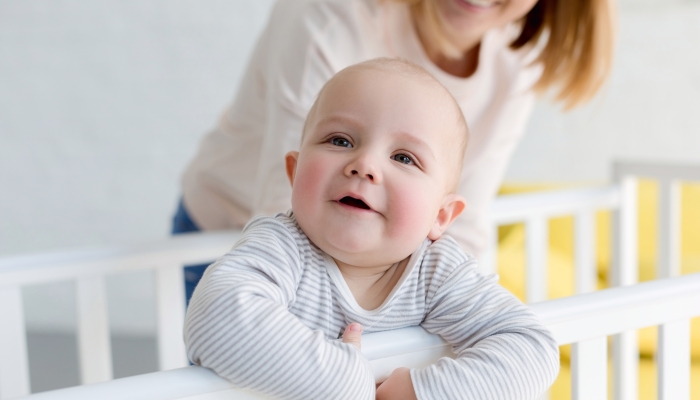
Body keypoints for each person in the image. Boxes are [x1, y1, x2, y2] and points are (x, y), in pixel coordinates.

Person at [174, 0, 615, 301]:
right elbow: (284, 211)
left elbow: (464, 226)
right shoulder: (330, 15)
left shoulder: (514, 66)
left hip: (373, 259)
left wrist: (452, 322)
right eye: (343, 140)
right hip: (236, 236)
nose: (366, 166)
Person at [183, 59, 559, 400]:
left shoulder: (437, 272)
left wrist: (424, 391)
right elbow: (215, 315)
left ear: (441, 217)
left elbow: (531, 348)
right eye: (340, 140)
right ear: (294, 174)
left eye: (403, 157)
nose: (364, 164)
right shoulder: (281, 245)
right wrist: (349, 384)